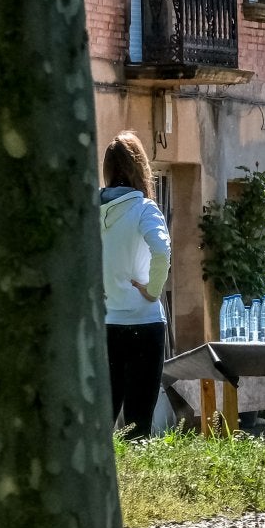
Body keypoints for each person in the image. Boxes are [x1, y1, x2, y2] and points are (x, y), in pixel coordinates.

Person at [100, 131, 172, 441]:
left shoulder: (92, 212)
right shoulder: (144, 209)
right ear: (140, 168)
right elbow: (162, 251)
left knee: (102, 422)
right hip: (144, 324)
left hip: (106, 323)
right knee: (138, 426)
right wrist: (152, 290)